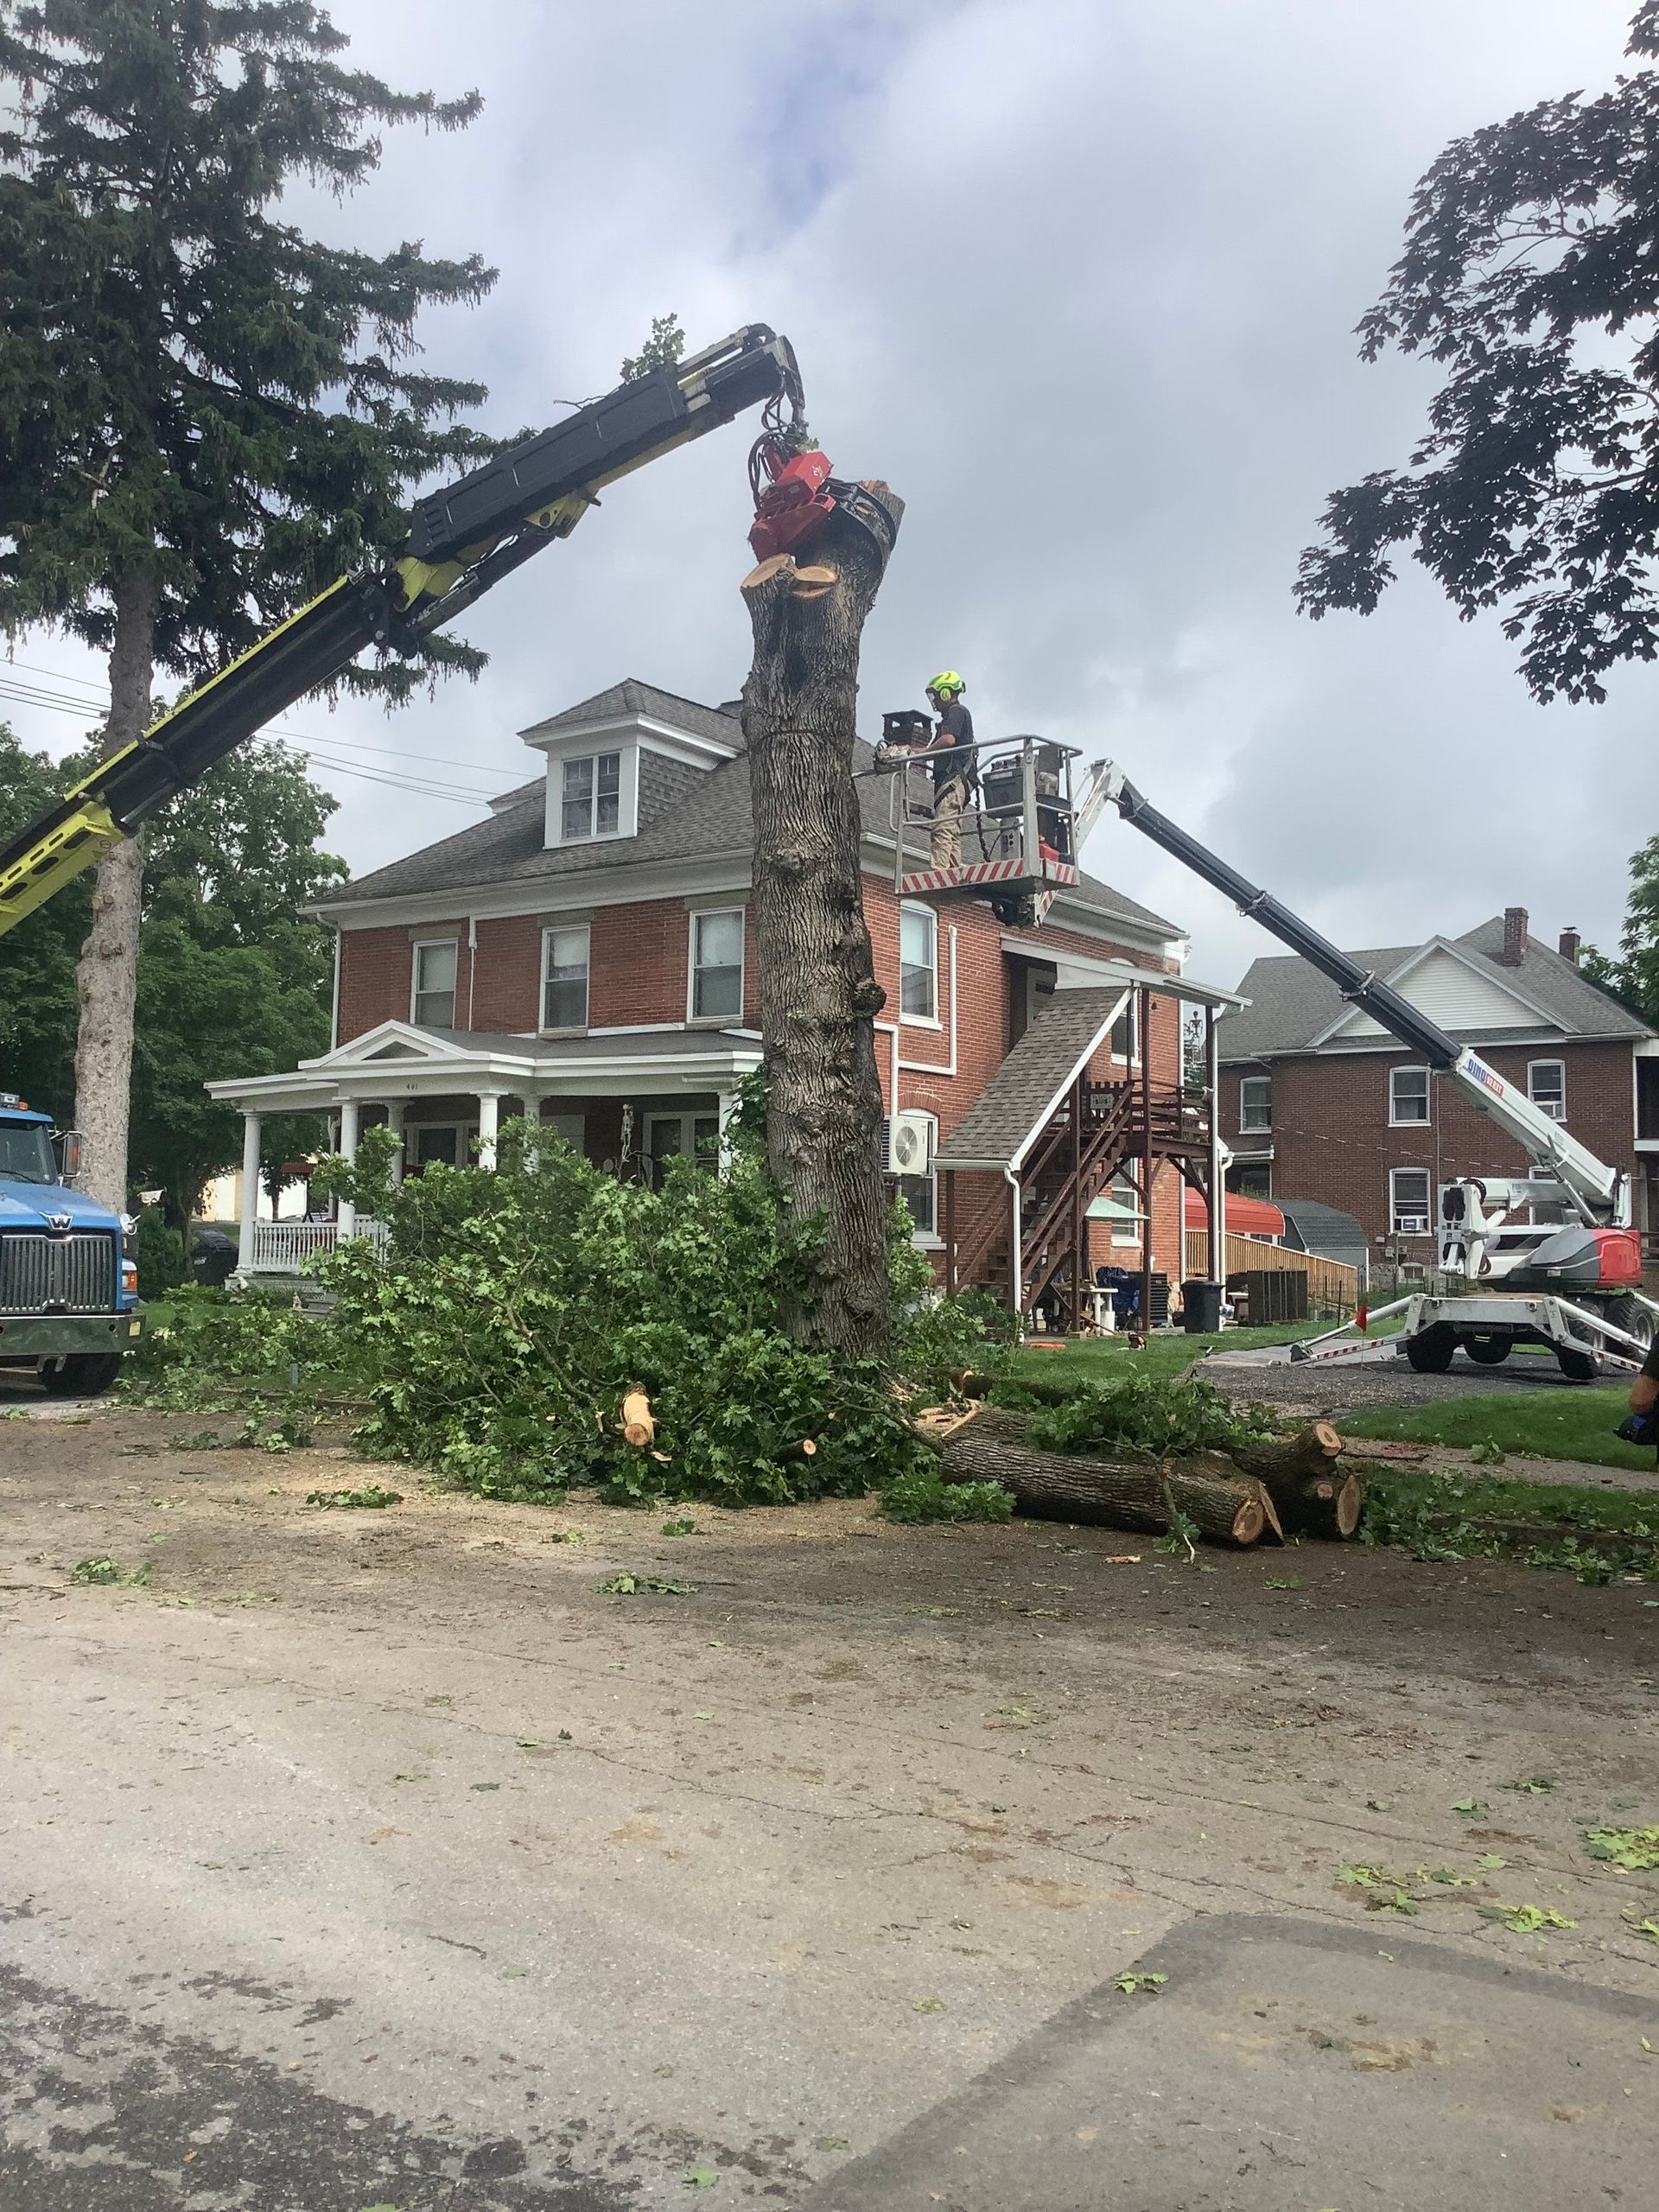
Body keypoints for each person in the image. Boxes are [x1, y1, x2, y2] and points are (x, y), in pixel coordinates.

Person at [924, 671, 974, 870]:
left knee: (942, 826)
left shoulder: (956, 712)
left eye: (936, 695)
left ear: (946, 693)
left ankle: (940, 871)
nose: (934, 700)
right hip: (956, 781)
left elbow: (948, 740)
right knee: (952, 830)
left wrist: (924, 752)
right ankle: (953, 870)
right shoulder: (950, 718)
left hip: (954, 780)